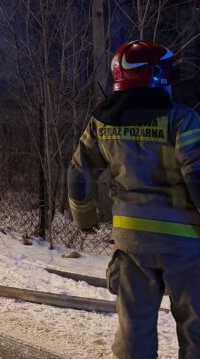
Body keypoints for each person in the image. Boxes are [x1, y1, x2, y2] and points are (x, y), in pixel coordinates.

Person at [68, 39, 200, 359]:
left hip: (131, 241)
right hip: (184, 243)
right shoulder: (182, 119)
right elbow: (197, 176)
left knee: (134, 327)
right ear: (157, 76)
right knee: (195, 325)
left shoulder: (101, 122)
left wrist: (85, 219)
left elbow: (77, 175)